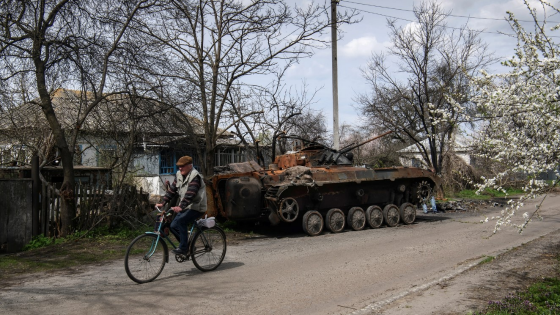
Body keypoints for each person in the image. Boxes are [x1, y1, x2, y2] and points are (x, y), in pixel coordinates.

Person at [156, 155, 207, 255]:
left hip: (197, 206)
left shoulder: (195, 176)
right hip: (186, 206)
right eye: (179, 166)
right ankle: (187, 245)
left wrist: (180, 207)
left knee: (180, 221)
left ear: (189, 166)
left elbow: (190, 194)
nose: (180, 168)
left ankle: (184, 248)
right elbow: (172, 190)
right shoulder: (179, 174)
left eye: (182, 166)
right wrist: (163, 202)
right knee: (173, 226)